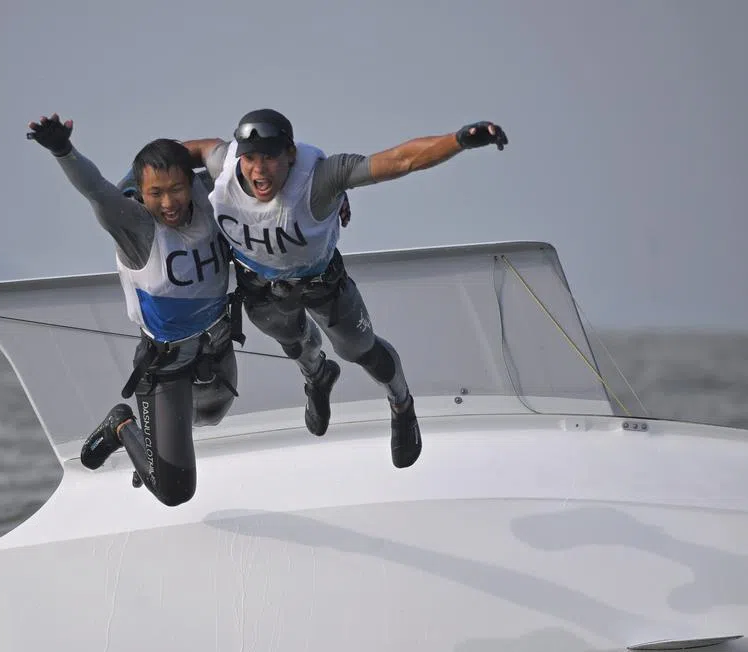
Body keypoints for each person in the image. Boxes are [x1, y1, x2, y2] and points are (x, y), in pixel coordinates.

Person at [181, 109, 508, 469]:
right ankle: (318, 375)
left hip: (322, 284)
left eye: (270, 157)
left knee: (361, 350)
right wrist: (130, 188)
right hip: (261, 288)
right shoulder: (223, 165)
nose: (259, 170)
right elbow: (177, 155)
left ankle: (401, 403)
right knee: (294, 343)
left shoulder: (322, 178)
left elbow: (400, 161)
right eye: (251, 158)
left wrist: (458, 140)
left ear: (290, 154)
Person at [27, 113, 240, 507]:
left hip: (216, 343)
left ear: (191, 182)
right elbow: (96, 190)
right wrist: (63, 151)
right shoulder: (136, 226)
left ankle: (154, 448)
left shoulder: (210, 196)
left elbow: (244, 165)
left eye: (176, 189)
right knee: (175, 491)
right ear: (140, 194)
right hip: (166, 364)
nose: (168, 203)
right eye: (155, 193)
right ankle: (120, 425)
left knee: (212, 416)